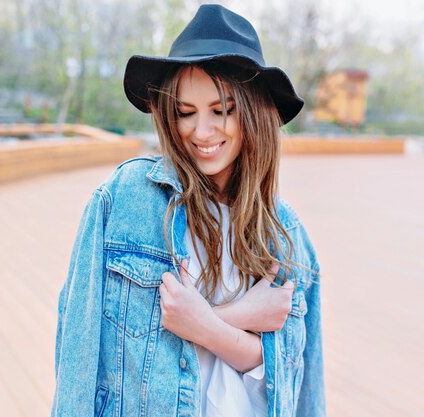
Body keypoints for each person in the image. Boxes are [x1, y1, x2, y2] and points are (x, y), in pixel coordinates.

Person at [51, 4, 324, 417]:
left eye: (222, 110)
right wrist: (242, 319)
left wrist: (208, 325)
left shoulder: (287, 235)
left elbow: (298, 390)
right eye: (185, 113)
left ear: (254, 112)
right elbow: (78, 360)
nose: (201, 132)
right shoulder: (125, 202)